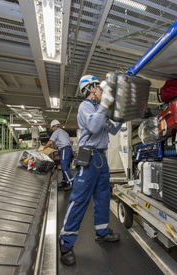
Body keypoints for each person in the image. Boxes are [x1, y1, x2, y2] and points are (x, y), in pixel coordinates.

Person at [59, 75, 122, 265]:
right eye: (98, 87)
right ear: (90, 89)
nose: (101, 90)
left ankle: (102, 232)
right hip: (89, 158)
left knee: (103, 197)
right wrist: (104, 105)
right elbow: (94, 127)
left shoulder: (99, 109)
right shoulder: (85, 107)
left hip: (101, 158)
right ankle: (66, 243)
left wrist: (120, 114)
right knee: (79, 200)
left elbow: (112, 129)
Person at [43, 120, 73, 190]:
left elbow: (50, 142)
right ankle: (64, 182)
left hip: (64, 149)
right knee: (66, 166)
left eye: (52, 127)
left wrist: (44, 148)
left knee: (64, 167)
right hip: (68, 149)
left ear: (54, 126)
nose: (52, 129)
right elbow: (71, 142)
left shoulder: (56, 132)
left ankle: (71, 183)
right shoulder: (64, 132)